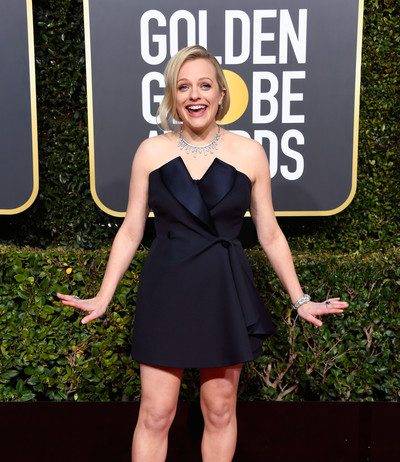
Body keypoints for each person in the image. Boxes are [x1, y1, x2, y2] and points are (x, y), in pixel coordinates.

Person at [57, 45, 349, 461]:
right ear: (173, 97)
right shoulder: (151, 152)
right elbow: (131, 230)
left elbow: (269, 233)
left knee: (220, 410)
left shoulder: (249, 152)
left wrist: (300, 299)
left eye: (204, 85)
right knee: (156, 413)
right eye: (183, 87)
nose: (195, 95)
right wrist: (104, 295)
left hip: (223, 290)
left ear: (221, 94)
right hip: (167, 289)